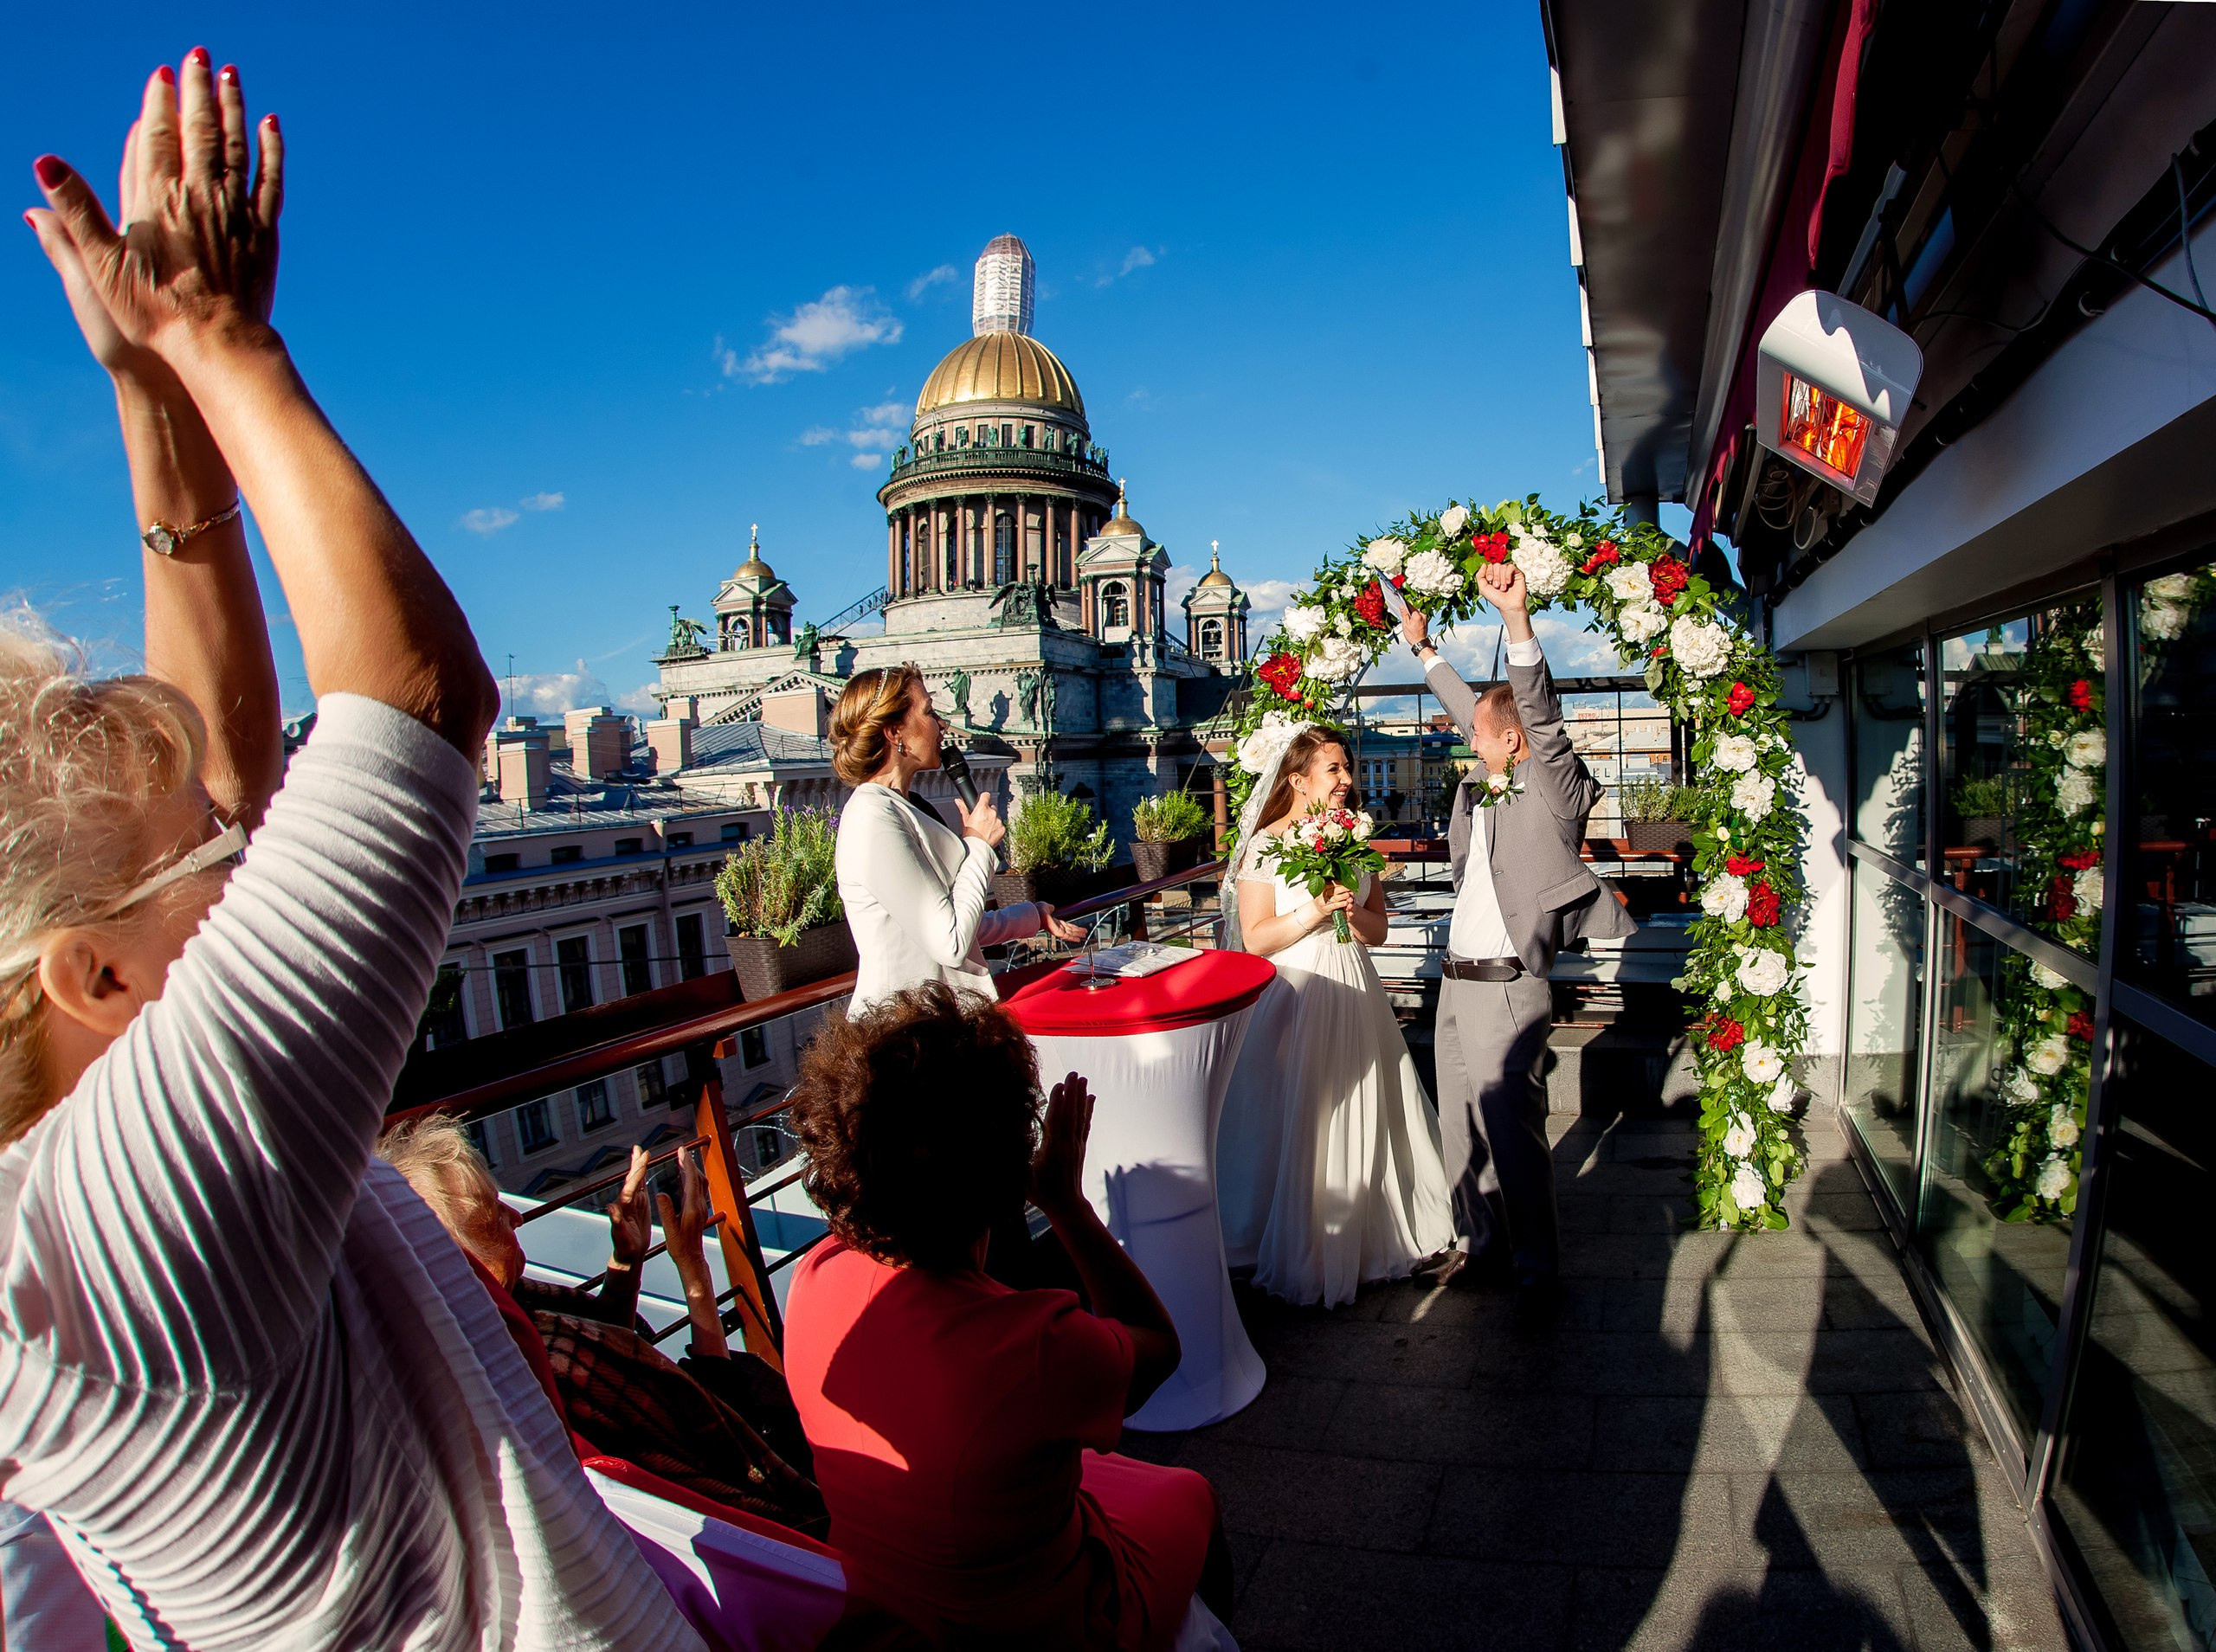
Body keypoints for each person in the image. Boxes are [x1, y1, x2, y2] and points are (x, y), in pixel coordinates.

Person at [5, 55, 700, 1647]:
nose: (250, 841)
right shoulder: (124, 1224)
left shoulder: (59, 1189)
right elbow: (415, 698)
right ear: (89, 971)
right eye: (210, 856)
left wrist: (152, 398)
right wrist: (220, 340)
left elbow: (220, 748)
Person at [781, 985, 1234, 1650]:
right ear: (1001, 1169)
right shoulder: (1033, 1344)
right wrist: (1066, 1205)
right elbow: (1158, 1348)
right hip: (1035, 1622)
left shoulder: (813, 1280)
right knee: (1192, 1494)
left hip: (882, 1604)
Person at [377, 1117, 826, 1533]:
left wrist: (628, 1263)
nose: (516, 1217)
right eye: (493, 1213)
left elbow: (610, 1351)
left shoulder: (503, 1320)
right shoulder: (545, 1366)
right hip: (785, 1522)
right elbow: (702, 1421)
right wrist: (692, 1268)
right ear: (457, 1256)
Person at [1401, 563, 1638, 1325]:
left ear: (1513, 740)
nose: (1465, 736)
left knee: (1513, 1135)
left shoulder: (1556, 789)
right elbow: (1469, 705)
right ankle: (1480, 1244)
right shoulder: (1486, 777)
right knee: (1460, 1128)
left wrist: (1517, 623)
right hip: (1455, 983)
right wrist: (1423, 649)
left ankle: (1536, 1272)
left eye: (1479, 732)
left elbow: (1538, 713)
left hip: (1507, 987)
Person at [1214, 725, 1455, 1308]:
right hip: (1293, 996)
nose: (1348, 779)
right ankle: (1286, 1235)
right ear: (1298, 780)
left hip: (1353, 988)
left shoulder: (1355, 839)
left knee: (1367, 1103)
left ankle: (1374, 1231)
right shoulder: (1263, 847)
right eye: (1334, 769)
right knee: (1295, 1112)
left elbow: (1378, 929)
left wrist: (1348, 911)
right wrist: (1316, 911)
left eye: (1347, 767)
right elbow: (1255, 938)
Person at [831, 664, 1085, 1012]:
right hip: (904, 1028)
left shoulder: (903, 807)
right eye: (929, 712)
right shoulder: (872, 816)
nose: (943, 725)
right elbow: (950, 942)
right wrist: (978, 845)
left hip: (938, 1016)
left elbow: (958, 922)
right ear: (894, 732)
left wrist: (1033, 917)